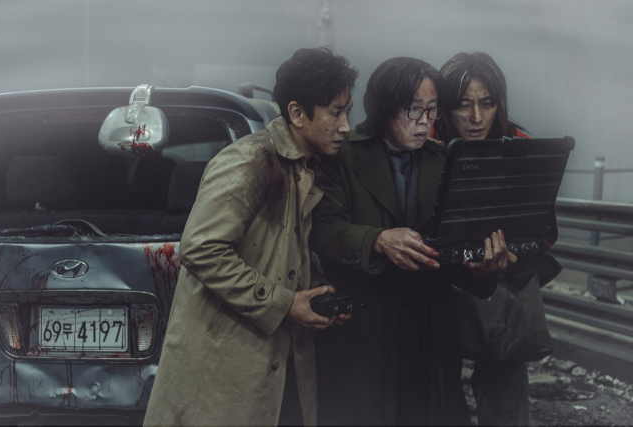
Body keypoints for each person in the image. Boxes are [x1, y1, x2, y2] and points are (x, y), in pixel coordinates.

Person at [143, 47, 357, 427]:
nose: (346, 126)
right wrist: (284, 304)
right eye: (336, 112)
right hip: (226, 371)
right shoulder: (249, 160)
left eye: (347, 112)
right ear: (297, 113)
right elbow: (200, 249)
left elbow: (281, 257)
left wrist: (316, 292)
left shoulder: (306, 168)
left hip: (277, 367)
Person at [310, 56, 516, 426]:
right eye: (415, 109)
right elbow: (323, 228)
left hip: (431, 330)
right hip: (361, 328)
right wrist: (377, 240)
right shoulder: (342, 155)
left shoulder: (446, 161)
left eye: (433, 110)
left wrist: (482, 269)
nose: (425, 121)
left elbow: (457, 248)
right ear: (384, 107)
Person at [435, 51, 558, 426]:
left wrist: (516, 251)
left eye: (486, 104)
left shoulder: (520, 145)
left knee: (505, 406)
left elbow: (545, 230)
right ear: (446, 106)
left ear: (498, 104)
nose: (476, 117)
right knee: (438, 398)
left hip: (503, 288)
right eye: (463, 104)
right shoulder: (427, 145)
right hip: (438, 285)